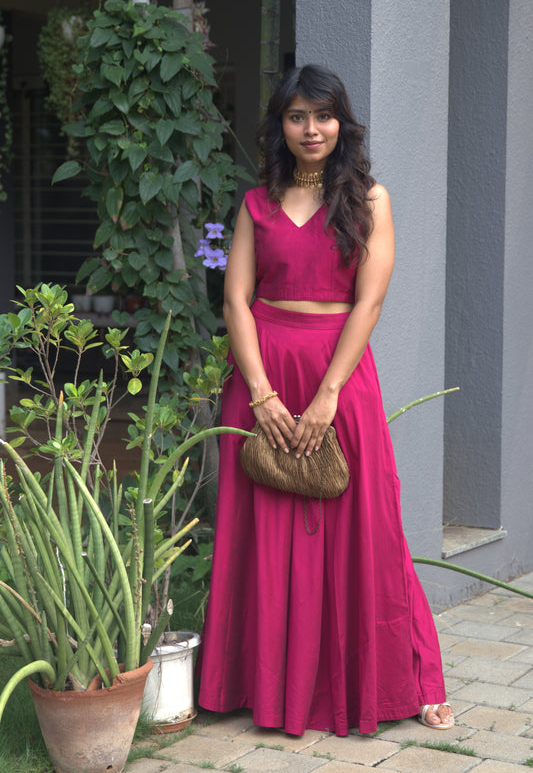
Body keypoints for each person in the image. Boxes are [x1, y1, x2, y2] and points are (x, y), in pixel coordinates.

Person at [196, 64, 453, 736]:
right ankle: (262, 687)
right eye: (296, 117)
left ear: (342, 123)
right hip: (263, 375)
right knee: (263, 533)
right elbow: (236, 300)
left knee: (365, 531)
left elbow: (368, 301)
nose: (310, 130)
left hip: (338, 377)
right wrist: (261, 395)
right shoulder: (256, 202)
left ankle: (400, 680)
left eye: (323, 115)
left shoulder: (370, 200)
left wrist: (325, 396)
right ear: (280, 126)